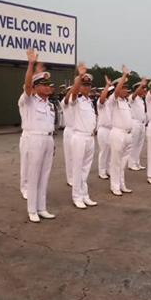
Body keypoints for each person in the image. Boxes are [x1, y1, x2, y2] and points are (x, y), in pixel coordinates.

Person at [20, 48, 56, 223]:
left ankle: (41, 207)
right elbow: (27, 86)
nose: (48, 87)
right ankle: (32, 209)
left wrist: (52, 143)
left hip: (48, 139)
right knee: (33, 175)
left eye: (49, 84)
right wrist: (31, 65)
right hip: (33, 139)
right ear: (35, 87)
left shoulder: (50, 105)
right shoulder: (28, 101)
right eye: (44, 84)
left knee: (44, 174)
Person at [65, 64, 98, 209]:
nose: (87, 87)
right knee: (77, 168)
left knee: (86, 169)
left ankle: (85, 195)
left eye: (88, 85)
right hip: (79, 137)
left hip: (90, 137)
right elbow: (73, 94)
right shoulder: (76, 100)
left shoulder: (89, 102)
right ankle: (77, 196)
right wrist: (79, 76)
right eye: (84, 85)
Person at [108, 66, 134, 196]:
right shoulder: (113, 100)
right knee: (116, 162)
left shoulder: (126, 102)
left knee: (123, 163)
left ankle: (121, 184)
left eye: (126, 88)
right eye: (123, 87)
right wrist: (123, 76)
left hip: (128, 135)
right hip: (118, 134)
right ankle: (115, 186)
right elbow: (116, 92)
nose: (125, 90)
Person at [128, 79, 147, 171]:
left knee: (139, 144)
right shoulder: (132, 97)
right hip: (135, 123)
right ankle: (131, 163)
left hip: (142, 123)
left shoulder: (141, 99)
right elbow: (134, 95)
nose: (144, 90)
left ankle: (137, 162)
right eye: (142, 88)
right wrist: (141, 85)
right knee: (134, 144)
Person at [97, 78, 113, 179]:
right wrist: (107, 86)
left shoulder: (112, 104)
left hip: (111, 129)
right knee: (104, 151)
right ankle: (101, 171)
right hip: (104, 129)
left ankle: (108, 169)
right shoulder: (101, 103)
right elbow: (102, 99)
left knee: (110, 152)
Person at [61, 86, 75, 186]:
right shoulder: (65, 101)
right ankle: (70, 178)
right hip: (69, 130)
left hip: (78, 131)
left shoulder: (78, 101)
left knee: (78, 157)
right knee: (69, 156)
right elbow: (66, 101)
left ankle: (77, 177)